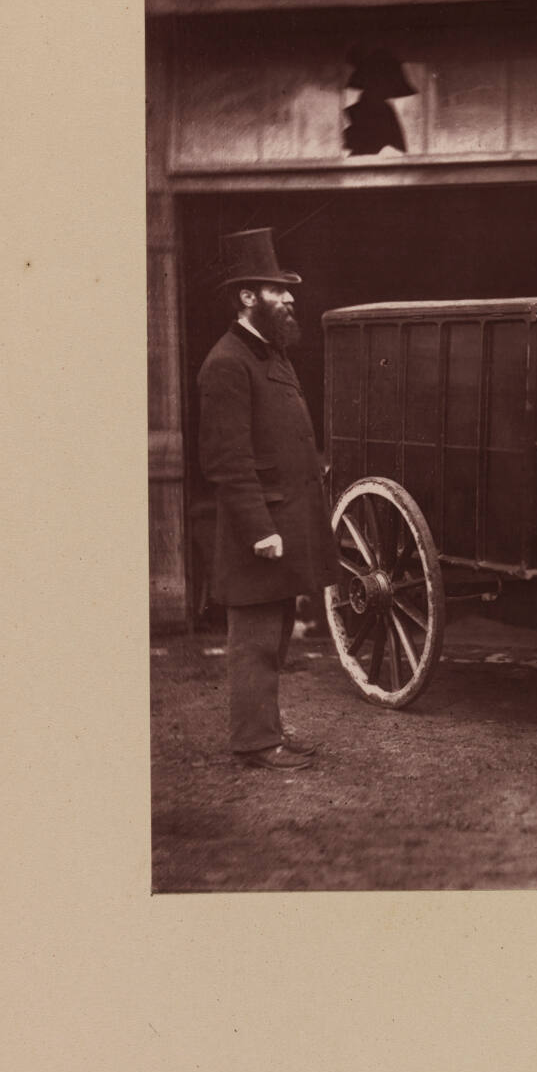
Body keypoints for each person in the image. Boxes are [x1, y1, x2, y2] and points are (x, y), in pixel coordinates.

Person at [196, 228, 339, 773]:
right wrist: (260, 530)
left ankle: (267, 730)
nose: (289, 298)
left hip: (287, 519)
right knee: (254, 639)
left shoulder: (269, 355)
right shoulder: (227, 363)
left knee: (275, 635)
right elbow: (227, 462)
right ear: (246, 296)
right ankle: (255, 743)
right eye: (276, 290)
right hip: (260, 528)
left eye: (286, 289)